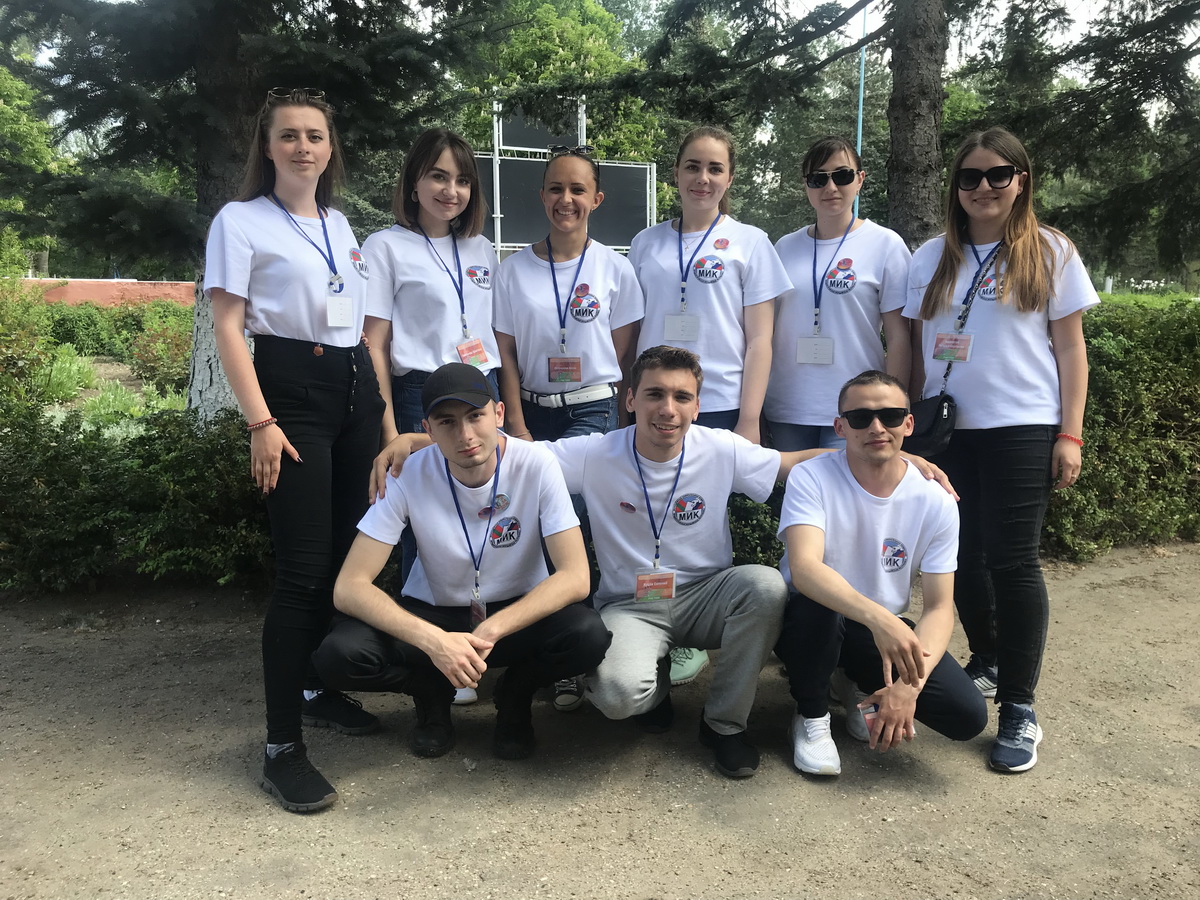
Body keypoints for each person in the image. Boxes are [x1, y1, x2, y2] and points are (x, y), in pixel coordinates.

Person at [371, 348, 953, 779]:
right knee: (618, 695)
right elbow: (496, 446)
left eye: (681, 397)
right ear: (630, 399)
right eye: (653, 394)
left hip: (706, 593)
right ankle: (656, 692)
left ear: (697, 405)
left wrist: (891, 454)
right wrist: (416, 442)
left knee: (766, 586)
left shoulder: (720, 448)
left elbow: (789, 463)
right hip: (632, 604)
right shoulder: (593, 453)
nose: (667, 409)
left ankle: (724, 726)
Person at [206, 87, 385, 813]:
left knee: (348, 558)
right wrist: (261, 422)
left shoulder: (339, 223)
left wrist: (377, 412)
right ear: (268, 145)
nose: (303, 147)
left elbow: (356, 324)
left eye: (315, 135)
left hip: (354, 393)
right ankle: (282, 748)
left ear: (329, 147)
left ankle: (318, 687)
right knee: (304, 575)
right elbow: (228, 326)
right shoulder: (240, 220)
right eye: (289, 135)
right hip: (293, 395)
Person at [904, 126, 1099, 772]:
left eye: (997, 175)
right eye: (970, 177)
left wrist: (1069, 433)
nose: (983, 187)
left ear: (1021, 180)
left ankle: (1019, 706)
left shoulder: (1050, 251)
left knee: (1014, 564)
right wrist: (902, 424)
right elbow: (912, 351)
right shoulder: (929, 257)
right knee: (958, 557)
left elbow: (1070, 349)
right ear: (955, 187)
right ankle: (987, 659)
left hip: (1022, 428)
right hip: (945, 433)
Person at [313, 364, 610, 765]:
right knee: (339, 654)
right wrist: (435, 642)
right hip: (436, 614)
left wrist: (491, 629)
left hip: (514, 616)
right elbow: (349, 587)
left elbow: (575, 577)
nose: (465, 434)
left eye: (475, 416)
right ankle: (429, 691)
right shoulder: (405, 473)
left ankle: (515, 694)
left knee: (588, 635)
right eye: (447, 422)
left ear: (499, 414)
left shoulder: (537, 464)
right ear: (428, 430)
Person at [629, 125, 792, 687]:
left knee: (702, 520)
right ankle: (661, 628)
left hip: (720, 403)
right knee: (654, 517)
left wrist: (749, 418)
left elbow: (760, 339)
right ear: (675, 173)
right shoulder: (646, 242)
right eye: (693, 166)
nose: (703, 178)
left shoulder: (750, 242)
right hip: (657, 401)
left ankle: (709, 628)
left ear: (730, 178)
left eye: (715, 168)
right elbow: (632, 328)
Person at [493, 145, 643, 712]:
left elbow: (623, 357)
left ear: (596, 199)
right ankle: (534, 645)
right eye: (556, 188)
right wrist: (518, 424)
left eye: (578, 189)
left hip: (591, 411)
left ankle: (570, 660)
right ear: (541, 195)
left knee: (573, 527)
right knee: (529, 528)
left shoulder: (615, 269)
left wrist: (619, 423)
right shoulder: (512, 270)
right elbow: (506, 356)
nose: (566, 199)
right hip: (531, 411)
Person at [776, 371, 987, 776]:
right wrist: (881, 620)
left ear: (908, 423)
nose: (876, 427)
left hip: (877, 627)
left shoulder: (936, 499)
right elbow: (805, 569)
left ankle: (858, 686)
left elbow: (940, 608)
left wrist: (908, 689)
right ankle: (811, 715)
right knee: (819, 606)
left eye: (889, 416)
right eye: (860, 418)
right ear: (840, 427)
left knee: (965, 715)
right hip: (812, 617)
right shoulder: (811, 477)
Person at [360, 127, 498, 707]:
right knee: (428, 525)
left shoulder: (482, 249)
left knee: (487, 521)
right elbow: (374, 343)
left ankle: (484, 648)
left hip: (481, 387)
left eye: (462, 179)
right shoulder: (385, 247)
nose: (451, 190)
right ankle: (435, 656)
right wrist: (392, 429)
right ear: (413, 182)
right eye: (438, 176)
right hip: (422, 392)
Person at [766, 137, 911, 451]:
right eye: (818, 179)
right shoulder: (784, 248)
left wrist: (894, 407)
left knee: (850, 484)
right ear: (806, 186)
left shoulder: (886, 245)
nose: (830, 187)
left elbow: (899, 336)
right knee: (794, 485)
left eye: (842, 175)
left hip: (860, 410)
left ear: (860, 179)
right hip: (789, 405)